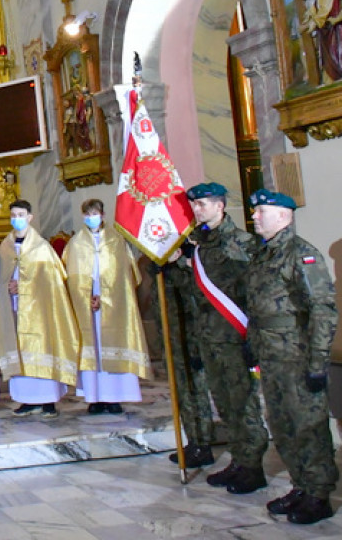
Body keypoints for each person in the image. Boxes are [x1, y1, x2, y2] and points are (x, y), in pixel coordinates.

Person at [246, 189, 337, 525]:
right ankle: (301, 484)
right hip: (271, 358)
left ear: (284, 216)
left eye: (262, 212)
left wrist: (317, 361)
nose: (254, 216)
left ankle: (319, 493)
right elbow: (258, 309)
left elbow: (323, 309)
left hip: (297, 356)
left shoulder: (302, 254)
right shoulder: (262, 255)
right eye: (255, 212)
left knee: (307, 425)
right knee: (282, 424)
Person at [185, 183, 269, 493]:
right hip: (210, 338)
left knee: (243, 403)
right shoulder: (199, 246)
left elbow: (255, 293)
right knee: (224, 403)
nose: (197, 210)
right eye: (194, 205)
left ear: (220, 207)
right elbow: (196, 298)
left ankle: (253, 466)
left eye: (203, 205)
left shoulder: (241, 243)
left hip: (235, 337)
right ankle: (239, 459)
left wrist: (253, 339)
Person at [64, 199, 150, 415]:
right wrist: (86, 296)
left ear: (102, 215)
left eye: (94, 213)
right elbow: (70, 276)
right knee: (92, 348)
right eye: (87, 214)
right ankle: (94, 397)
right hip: (86, 306)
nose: (91, 217)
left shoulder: (116, 241)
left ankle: (114, 396)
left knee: (111, 346)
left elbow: (127, 275)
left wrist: (106, 295)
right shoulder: (75, 243)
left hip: (113, 305)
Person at [0, 199, 79, 418]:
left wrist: (24, 286)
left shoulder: (41, 247)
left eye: (21, 215)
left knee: (41, 350)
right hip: (13, 309)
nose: (17, 219)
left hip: (39, 312)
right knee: (19, 353)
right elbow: (0, 276)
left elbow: (52, 282)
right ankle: (26, 400)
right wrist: (8, 287)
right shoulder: (5, 247)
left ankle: (48, 401)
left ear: (30, 217)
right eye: (13, 215)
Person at [142, 245, 217, 470]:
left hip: (192, 340)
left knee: (197, 393)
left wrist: (179, 264)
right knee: (183, 393)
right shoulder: (162, 270)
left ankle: (203, 444)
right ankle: (193, 440)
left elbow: (196, 300)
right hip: (173, 339)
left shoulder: (191, 264)